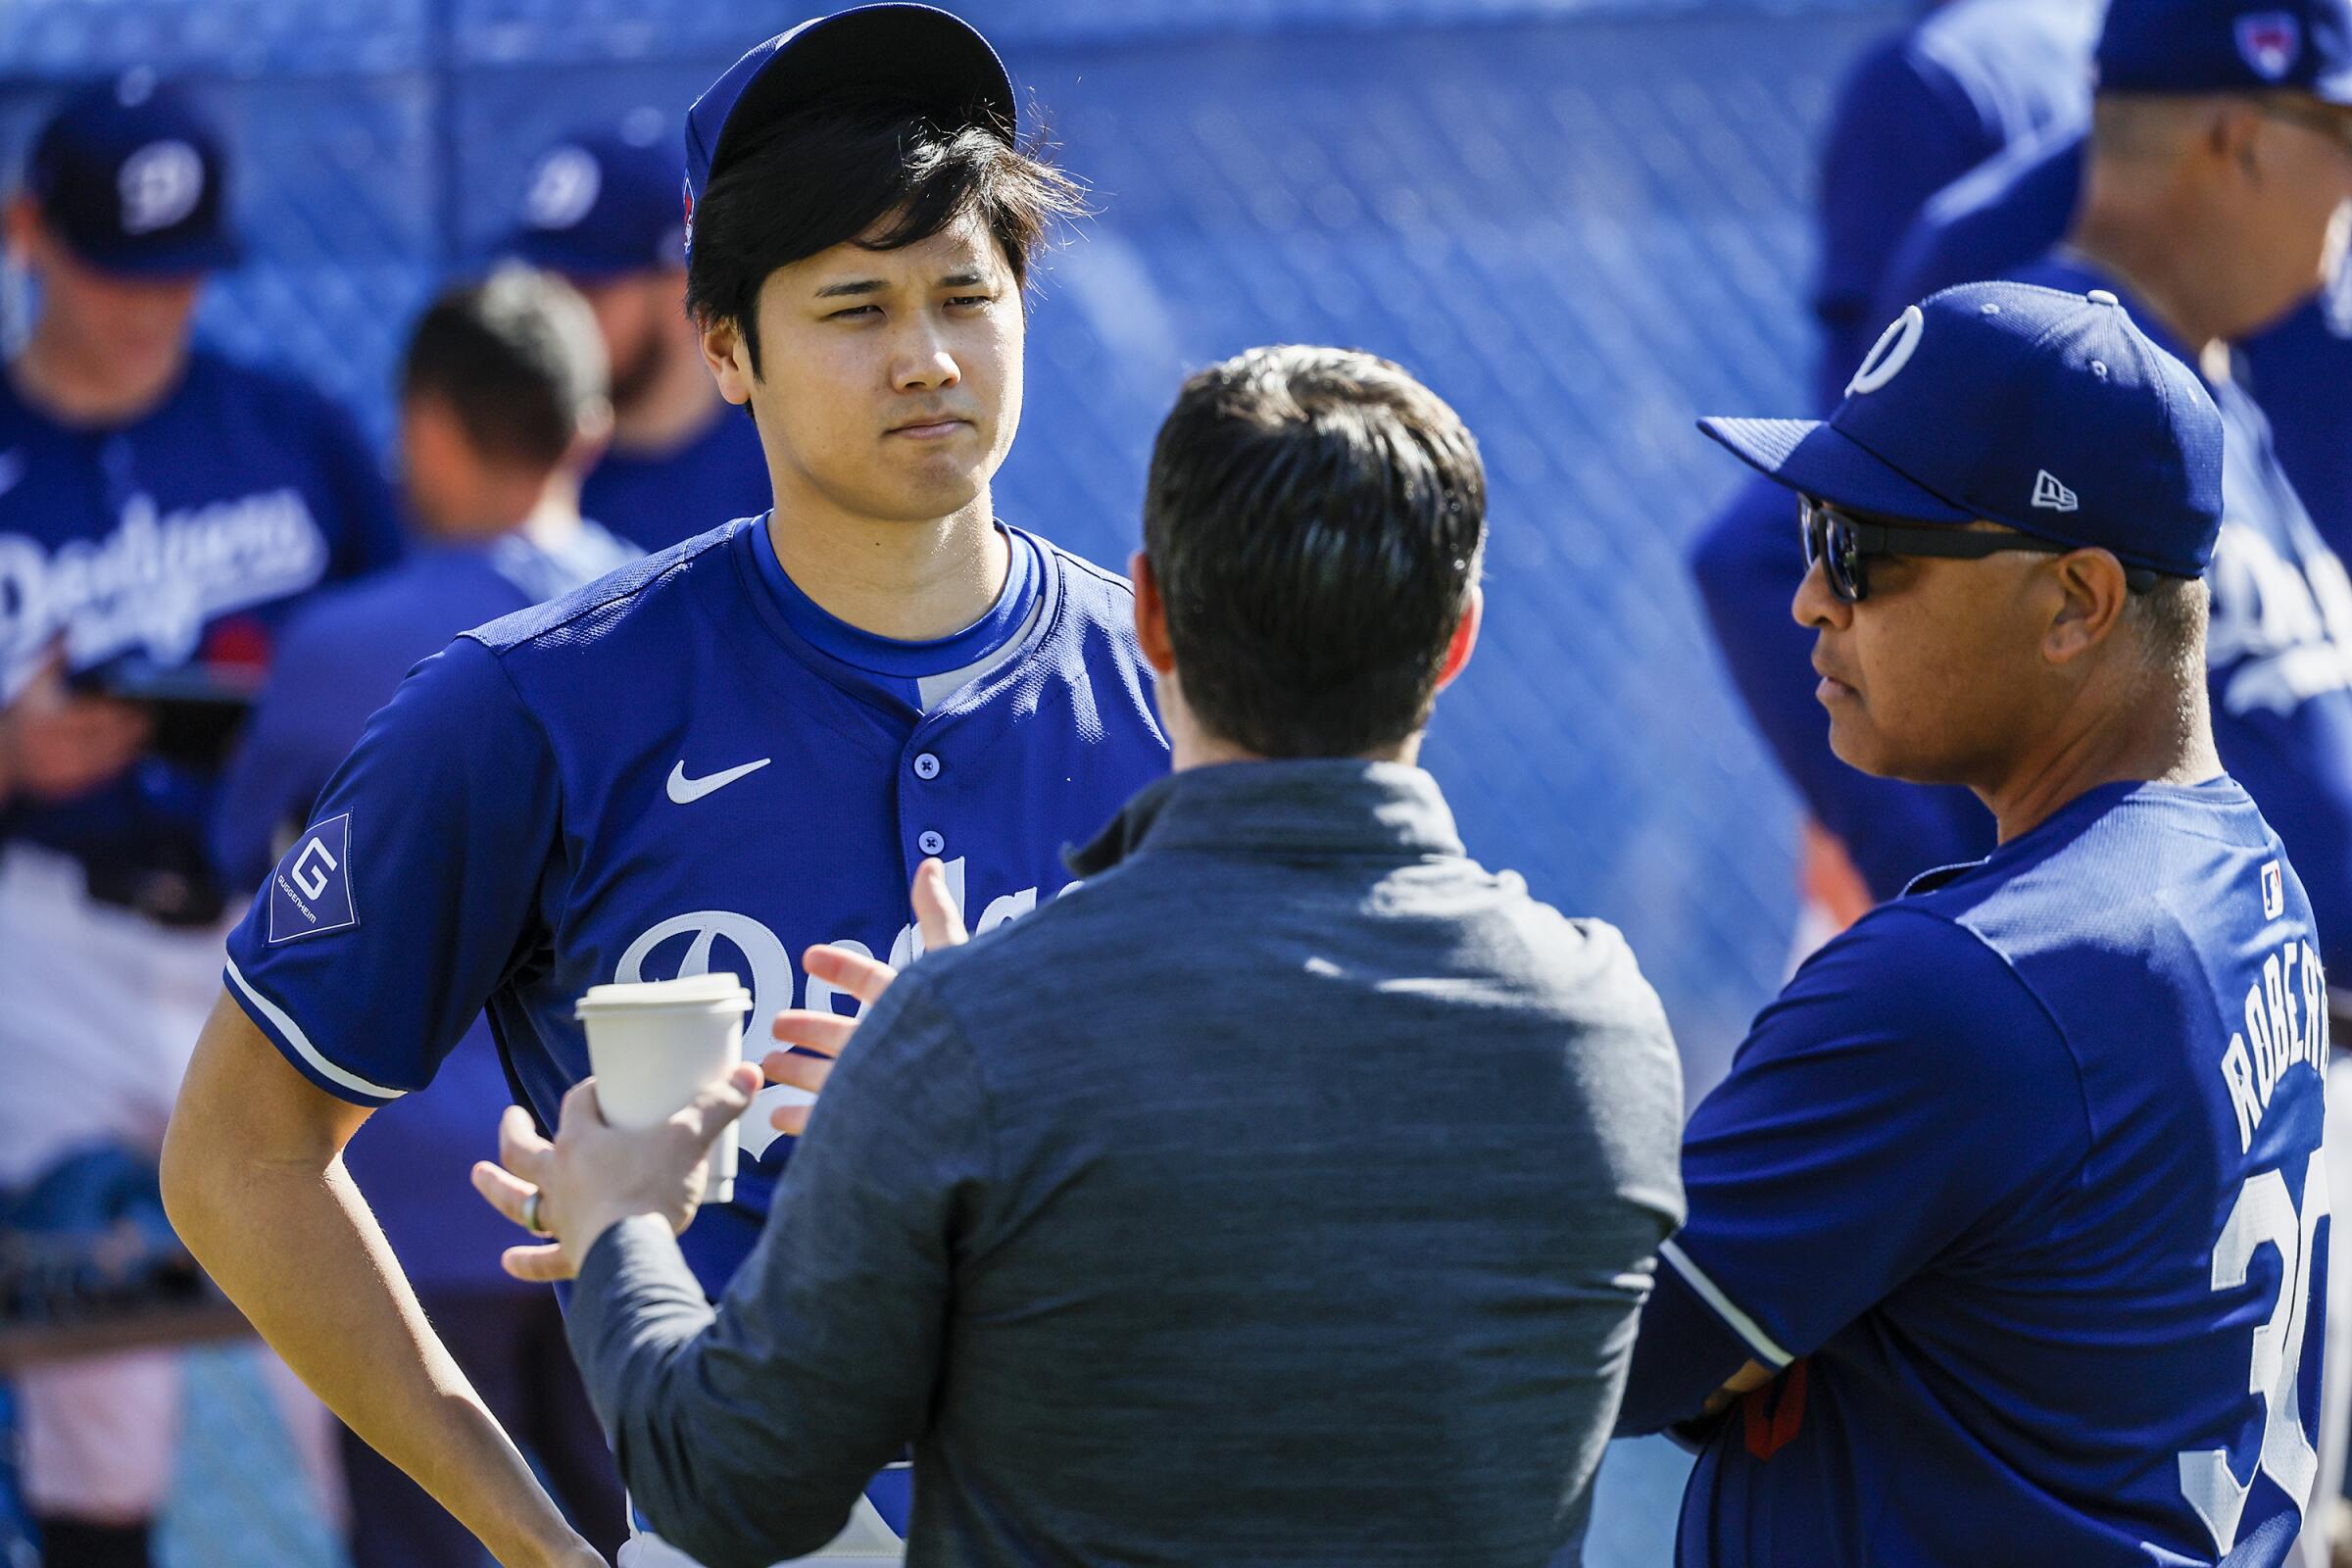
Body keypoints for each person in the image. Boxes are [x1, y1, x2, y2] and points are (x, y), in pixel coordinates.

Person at [159, 8, 1170, 1566]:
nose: (926, 356)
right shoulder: (541, 703)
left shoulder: (1176, 694)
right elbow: (240, 1152)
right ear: (721, 351)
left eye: (968, 294)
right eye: (853, 306)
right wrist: (534, 1536)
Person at [472, 342, 1687, 1568]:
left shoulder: (975, 1045)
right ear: (1460, 637)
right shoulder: (1607, 1026)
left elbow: (729, 1487)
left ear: (1150, 612)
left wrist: (621, 1220)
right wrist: (946, 1109)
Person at [1623, 279, 2330, 1564]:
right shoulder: (2246, 872)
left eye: (1866, 546)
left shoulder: (1980, 982)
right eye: (1812, 527)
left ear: (2079, 600)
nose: (1811, 599)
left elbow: (1603, 1352)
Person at [0, 74, 403, 1568]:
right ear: (26, 232)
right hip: (47, 945)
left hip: (274, 937)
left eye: (177, 276)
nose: (150, 311)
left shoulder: (291, 430)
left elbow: (416, 673)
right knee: (89, 1387)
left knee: (356, 1364)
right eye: (117, 270)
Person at [212, 268, 638, 1568]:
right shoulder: (671, 619)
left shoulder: (346, 643)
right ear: (588, 432)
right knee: (644, 1535)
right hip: (624, 1180)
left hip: (409, 1201)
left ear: (427, 431)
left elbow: (240, 842)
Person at [1688, 0, 2096, 913]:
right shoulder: (2098, 48)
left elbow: (1859, 452)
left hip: (1956, 701)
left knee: (1755, 555)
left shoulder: (1925, 77)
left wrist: (1922, 892)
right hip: (2098, 656)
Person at [508, 115, 770, 553]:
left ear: (681, 287)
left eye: (586, 288)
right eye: (540, 285)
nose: (552, 314)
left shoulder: (785, 458)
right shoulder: (512, 458)